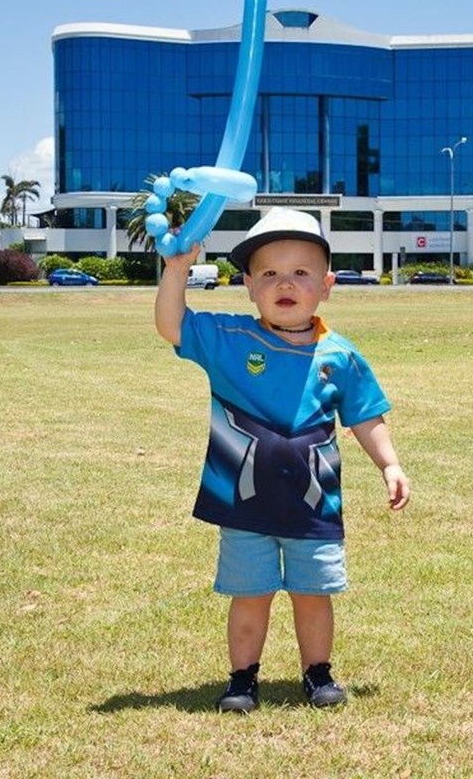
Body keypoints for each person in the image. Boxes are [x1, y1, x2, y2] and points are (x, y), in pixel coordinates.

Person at [154, 207, 411, 713]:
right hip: (244, 502)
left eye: (301, 272)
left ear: (327, 285)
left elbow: (365, 416)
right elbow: (172, 326)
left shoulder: (340, 356)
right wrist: (177, 269)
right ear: (249, 286)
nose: (285, 283)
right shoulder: (231, 341)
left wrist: (390, 464)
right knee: (249, 594)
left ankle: (318, 673)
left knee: (313, 593)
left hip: (314, 504)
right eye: (269, 273)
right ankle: (242, 679)